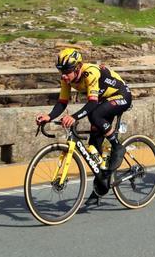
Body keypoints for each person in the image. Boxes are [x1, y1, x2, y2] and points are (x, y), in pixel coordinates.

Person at [36, 48, 132, 205]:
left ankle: (117, 146)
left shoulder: (90, 72)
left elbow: (92, 103)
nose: (63, 75)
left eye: (67, 71)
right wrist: (48, 116)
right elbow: (62, 103)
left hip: (121, 95)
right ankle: (100, 186)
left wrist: (73, 117)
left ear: (78, 67)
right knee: (94, 147)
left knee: (94, 115)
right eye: (61, 71)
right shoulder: (66, 79)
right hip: (103, 100)